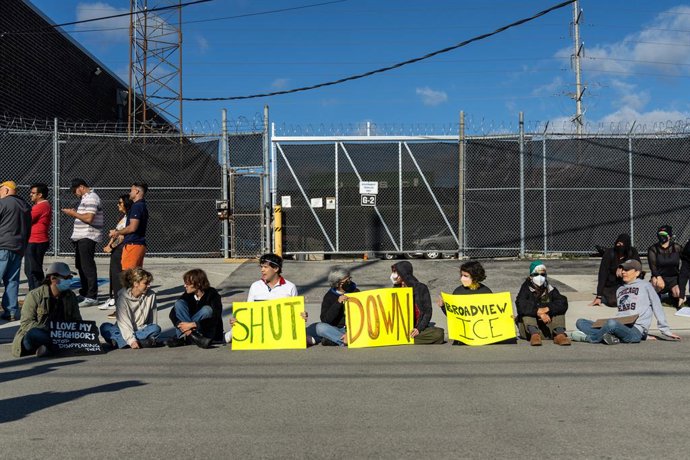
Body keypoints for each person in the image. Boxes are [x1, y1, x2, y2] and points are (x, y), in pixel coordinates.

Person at [573, 259, 681, 344]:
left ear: (637, 272)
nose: (624, 272)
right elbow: (622, 311)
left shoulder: (646, 286)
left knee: (611, 323)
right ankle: (609, 337)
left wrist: (665, 330)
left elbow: (657, 307)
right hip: (620, 325)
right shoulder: (620, 289)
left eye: (627, 270)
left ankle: (592, 338)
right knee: (581, 322)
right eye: (623, 269)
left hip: (636, 330)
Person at [226, 253, 315, 346]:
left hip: (282, 329)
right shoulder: (255, 286)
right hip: (259, 329)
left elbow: (296, 313)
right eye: (261, 267)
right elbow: (249, 312)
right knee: (232, 334)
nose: (262, 270)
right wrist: (237, 320)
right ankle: (222, 337)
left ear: (276, 269)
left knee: (308, 340)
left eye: (265, 267)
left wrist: (302, 316)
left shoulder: (290, 287)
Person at [11, 262, 81, 358]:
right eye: (66, 278)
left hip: (62, 335)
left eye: (70, 278)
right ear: (53, 279)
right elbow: (26, 323)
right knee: (34, 333)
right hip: (38, 336)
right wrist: (51, 330)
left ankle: (48, 349)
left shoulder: (70, 296)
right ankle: (57, 347)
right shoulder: (34, 295)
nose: (69, 280)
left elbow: (77, 321)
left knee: (101, 328)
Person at [61, 178, 103, 307]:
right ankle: (85, 293)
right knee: (81, 265)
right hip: (81, 237)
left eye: (75, 190)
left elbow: (89, 218)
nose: (75, 193)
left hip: (88, 236)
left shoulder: (91, 198)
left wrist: (73, 213)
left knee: (87, 266)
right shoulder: (86, 198)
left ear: (81, 187)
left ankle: (92, 296)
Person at [100, 268, 161, 349]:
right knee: (105, 327)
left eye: (149, 283)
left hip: (141, 329)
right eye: (146, 283)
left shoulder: (151, 295)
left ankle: (120, 342)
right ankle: (141, 342)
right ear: (136, 283)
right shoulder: (122, 298)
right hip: (123, 329)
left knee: (156, 328)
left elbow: (152, 317)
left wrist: (150, 329)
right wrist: (131, 340)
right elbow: (123, 322)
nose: (149, 286)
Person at [437, 260, 494, 345]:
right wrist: (443, 306)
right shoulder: (458, 292)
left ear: (475, 277)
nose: (462, 278)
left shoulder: (486, 292)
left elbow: (493, 316)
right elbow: (453, 316)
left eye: (466, 276)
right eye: (462, 275)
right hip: (463, 336)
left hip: (482, 335)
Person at [515, 260, 571, 346]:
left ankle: (560, 335)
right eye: (536, 274)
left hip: (548, 327)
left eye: (542, 275)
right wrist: (538, 312)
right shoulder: (526, 289)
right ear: (530, 276)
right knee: (526, 313)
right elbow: (521, 305)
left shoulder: (549, 288)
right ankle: (535, 335)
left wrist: (547, 309)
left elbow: (562, 302)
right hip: (529, 331)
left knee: (559, 310)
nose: (540, 277)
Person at [166, 268, 224, 349]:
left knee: (207, 310)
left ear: (198, 284)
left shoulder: (212, 294)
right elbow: (172, 313)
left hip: (207, 332)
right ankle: (190, 335)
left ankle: (185, 338)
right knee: (179, 304)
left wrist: (193, 324)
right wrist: (184, 326)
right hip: (194, 333)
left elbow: (216, 317)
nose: (184, 286)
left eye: (187, 283)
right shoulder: (188, 294)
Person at [0, 180, 32, 322]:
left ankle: (10, 311)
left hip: (3, 246)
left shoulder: (4, 203)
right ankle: (11, 311)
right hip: (18, 248)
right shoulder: (25, 206)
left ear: (6, 190)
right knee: (12, 281)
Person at [391, 261, 445, 345]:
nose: (393, 275)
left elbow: (427, 312)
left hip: (415, 327)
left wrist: (418, 329)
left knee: (439, 334)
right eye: (393, 272)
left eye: (395, 272)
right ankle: (404, 338)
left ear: (403, 273)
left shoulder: (421, 288)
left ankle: (403, 338)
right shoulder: (394, 290)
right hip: (399, 328)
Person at [98, 194, 132, 311]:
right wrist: (109, 244)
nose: (118, 204)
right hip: (116, 250)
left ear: (126, 204)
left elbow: (122, 236)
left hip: (121, 249)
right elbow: (116, 233)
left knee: (118, 275)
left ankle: (118, 302)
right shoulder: (124, 217)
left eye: (120, 202)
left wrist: (111, 246)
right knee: (113, 274)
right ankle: (113, 298)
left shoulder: (129, 218)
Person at [314, 266, 360, 347]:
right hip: (338, 329)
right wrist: (338, 303)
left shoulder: (356, 291)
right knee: (320, 327)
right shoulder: (329, 297)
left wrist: (350, 331)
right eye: (346, 281)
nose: (349, 282)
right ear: (337, 283)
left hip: (355, 328)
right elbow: (325, 320)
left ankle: (336, 340)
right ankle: (346, 339)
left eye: (349, 279)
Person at [591, 233, 640, 307]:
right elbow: (602, 274)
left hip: (626, 283)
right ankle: (606, 293)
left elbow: (638, 266)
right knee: (614, 302)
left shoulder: (632, 252)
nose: (620, 247)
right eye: (618, 244)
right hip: (611, 284)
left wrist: (623, 267)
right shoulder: (609, 253)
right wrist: (599, 296)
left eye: (622, 245)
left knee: (633, 300)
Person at [110, 182, 148, 270]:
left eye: (131, 190)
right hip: (137, 244)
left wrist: (117, 232)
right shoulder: (142, 205)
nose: (129, 193)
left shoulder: (137, 206)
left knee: (128, 276)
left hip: (133, 245)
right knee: (135, 276)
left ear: (137, 191)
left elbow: (132, 227)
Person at [647, 225, 683, 307]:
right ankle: (656, 294)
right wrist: (658, 277)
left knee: (678, 293)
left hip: (673, 278)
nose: (661, 236)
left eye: (664, 234)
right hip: (659, 277)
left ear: (669, 236)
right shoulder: (653, 249)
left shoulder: (676, 247)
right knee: (657, 286)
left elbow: (686, 260)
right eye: (660, 234)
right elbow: (653, 267)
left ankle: (672, 294)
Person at [24, 183, 52, 290]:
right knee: (30, 270)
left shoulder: (42, 206)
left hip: (36, 242)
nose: (30, 195)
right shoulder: (39, 206)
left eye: (33, 193)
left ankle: (38, 295)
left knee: (33, 271)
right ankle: (35, 294)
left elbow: (26, 219)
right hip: (34, 241)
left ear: (40, 195)